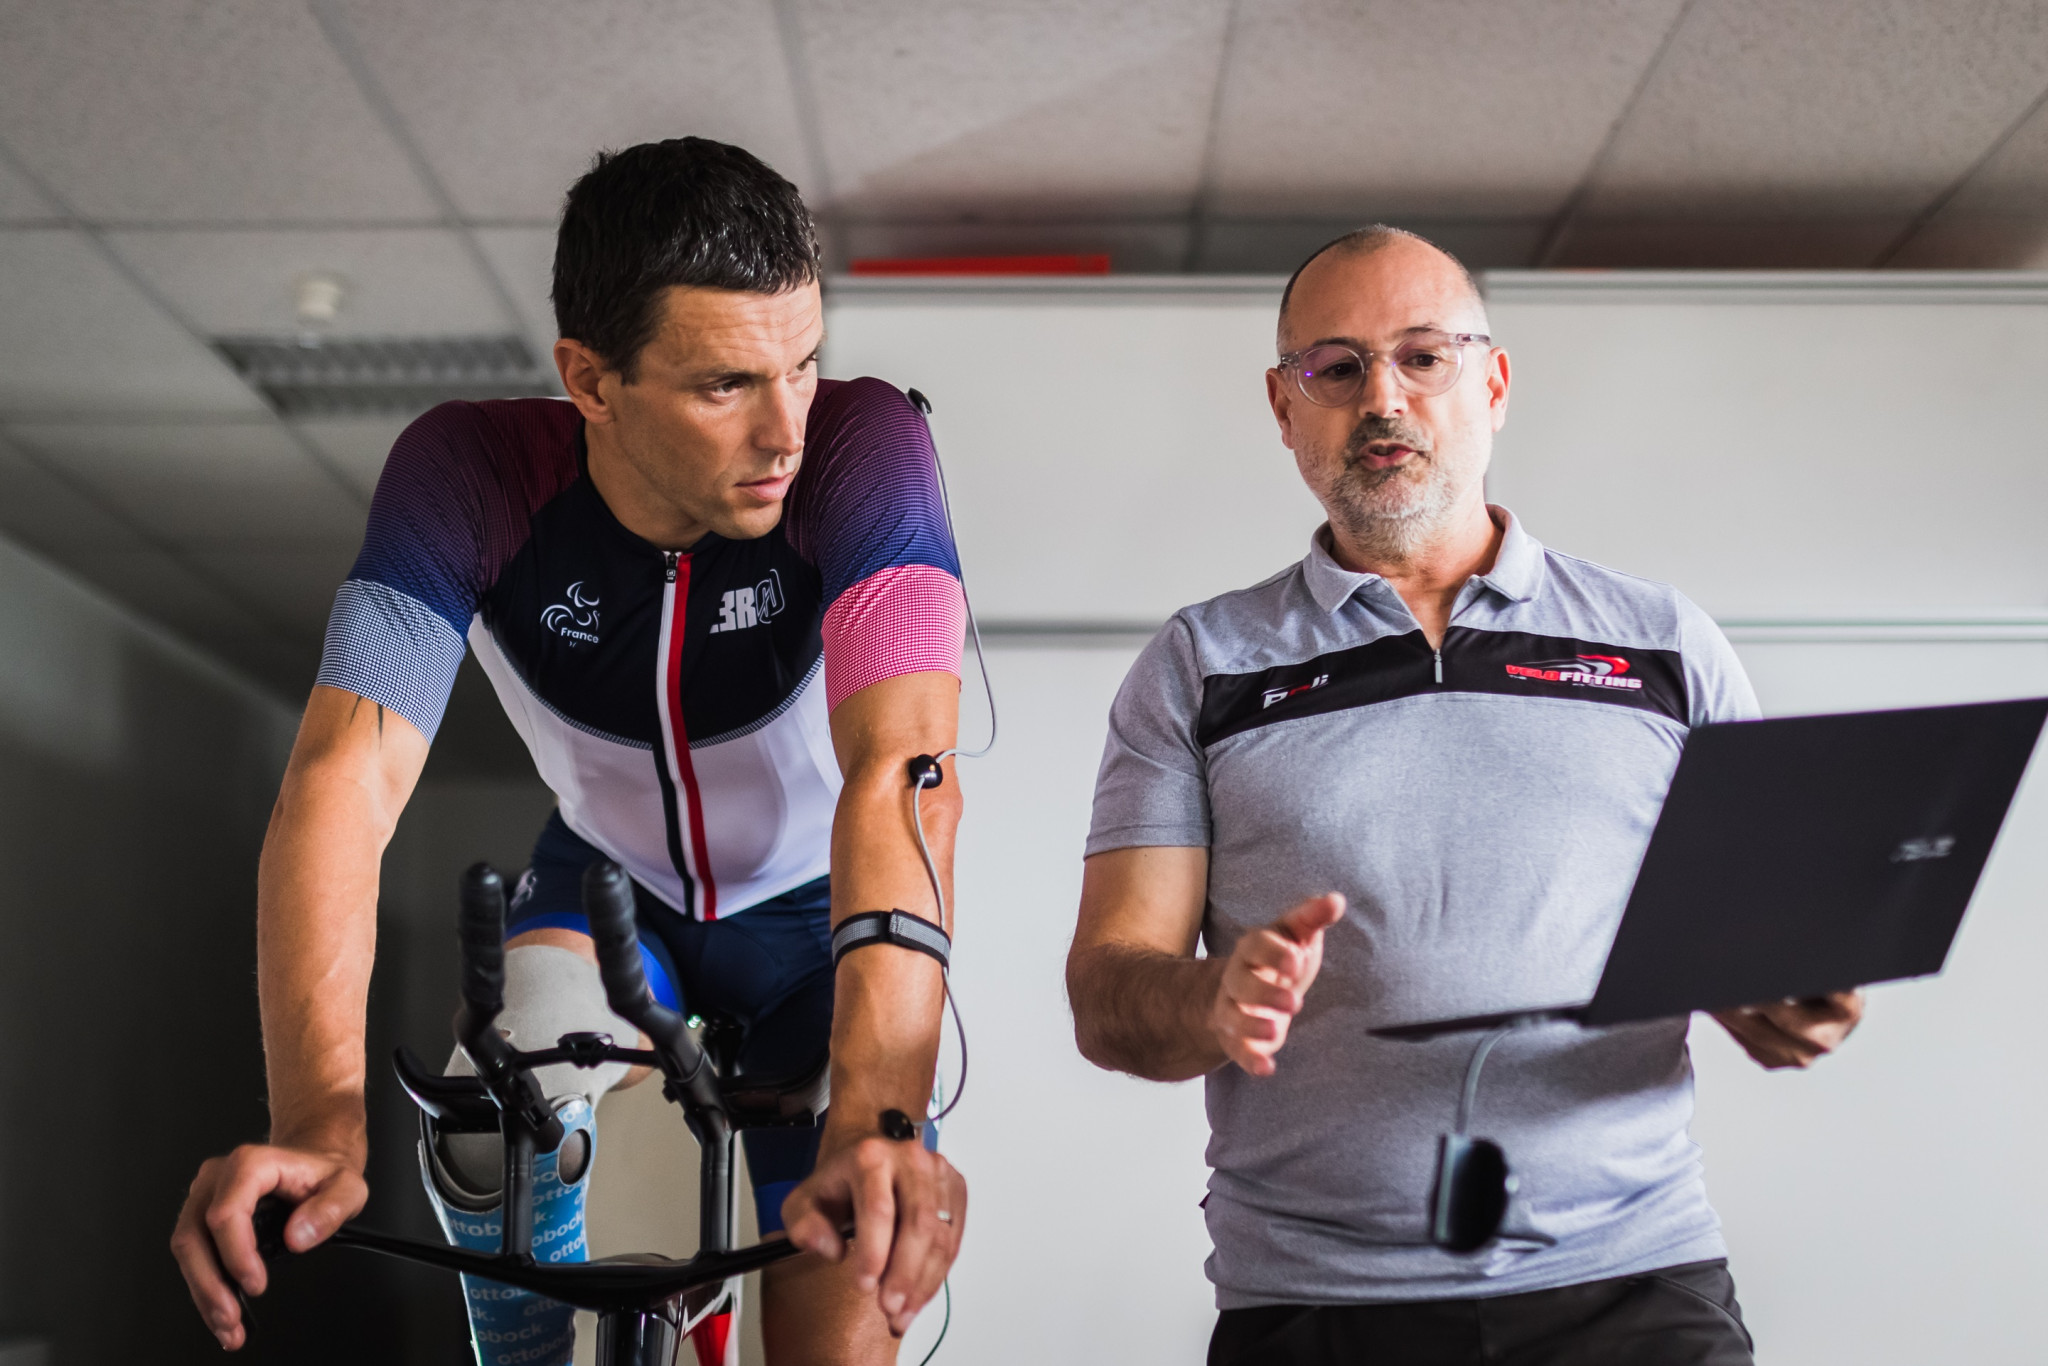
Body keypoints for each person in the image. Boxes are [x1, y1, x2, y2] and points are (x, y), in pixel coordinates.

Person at [171, 138, 967, 1365]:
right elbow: (343, 779)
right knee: (482, 1127)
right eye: (724, 384)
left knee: (846, 1264)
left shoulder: (860, 445)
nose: (784, 431)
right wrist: (319, 1115)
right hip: (609, 895)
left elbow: (904, 768)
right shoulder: (470, 473)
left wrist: (877, 1121)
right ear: (590, 381)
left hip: (823, 917)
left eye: (802, 363)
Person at [1065, 226, 1863, 1366]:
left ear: (1491, 383)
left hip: (1631, 1288)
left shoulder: (1663, 644)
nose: (1381, 398)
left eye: (1423, 357)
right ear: (1284, 407)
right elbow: (1107, 996)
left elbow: (1766, 942)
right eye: (1335, 368)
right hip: (1318, 1306)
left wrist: (1788, 996)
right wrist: (1211, 1001)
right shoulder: (1200, 665)